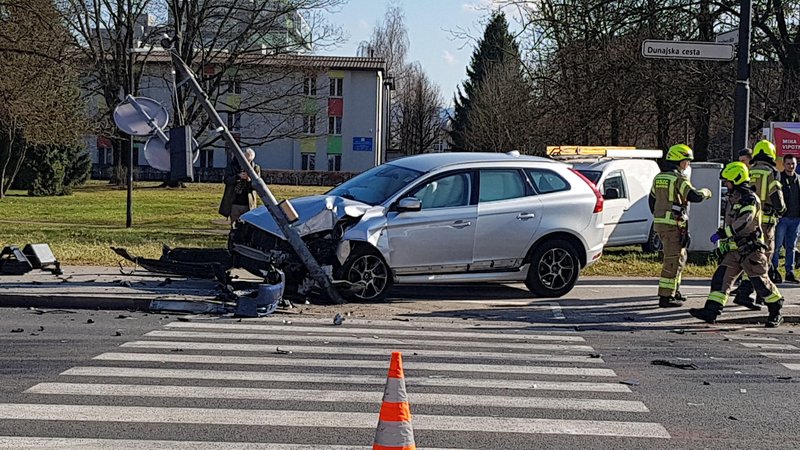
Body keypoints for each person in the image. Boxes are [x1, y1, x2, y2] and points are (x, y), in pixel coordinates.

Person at [691, 162, 784, 328]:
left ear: (737, 180)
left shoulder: (750, 199)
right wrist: (724, 245)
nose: (726, 185)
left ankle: (776, 309)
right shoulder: (734, 198)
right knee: (720, 279)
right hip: (735, 250)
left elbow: (744, 221)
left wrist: (723, 234)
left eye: (728, 181)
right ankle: (711, 311)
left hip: (751, 250)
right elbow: (731, 221)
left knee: (761, 284)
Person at [649, 144, 712, 307]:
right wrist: (706, 192)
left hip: (663, 224)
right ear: (679, 160)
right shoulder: (678, 178)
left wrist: (659, 216)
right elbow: (694, 196)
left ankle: (674, 291)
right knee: (672, 260)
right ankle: (665, 297)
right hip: (674, 225)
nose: (688, 165)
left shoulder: (659, 177)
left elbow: (652, 199)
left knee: (680, 257)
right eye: (687, 161)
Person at [732, 139, 785, 309]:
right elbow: (777, 198)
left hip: (749, 220)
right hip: (766, 222)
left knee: (751, 256)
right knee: (763, 258)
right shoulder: (772, 172)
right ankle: (747, 292)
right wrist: (781, 209)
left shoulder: (749, 171)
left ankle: (758, 295)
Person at [773, 153, 800, 283]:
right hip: (781, 218)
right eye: (788, 163)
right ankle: (774, 271)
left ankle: (790, 272)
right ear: (783, 165)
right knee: (777, 247)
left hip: (796, 219)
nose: (791, 166)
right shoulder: (779, 179)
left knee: (791, 247)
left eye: (793, 163)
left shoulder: (799, 179)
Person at [218, 148, 261, 225]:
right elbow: (227, 180)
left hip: (248, 203)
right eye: (245, 160)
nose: (247, 163)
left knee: (247, 226)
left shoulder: (255, 168)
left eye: (249, 161)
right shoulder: (232, 166)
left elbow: (258, 186)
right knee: (234, 225)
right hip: (234, 202)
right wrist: (238, 177)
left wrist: (249, 180)